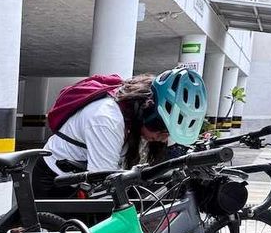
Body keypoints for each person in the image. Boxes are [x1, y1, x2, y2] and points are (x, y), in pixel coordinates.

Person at [31, 67, 208, 197]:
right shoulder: (107, 119)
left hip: (82, 176)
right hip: (56, 181)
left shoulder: (135, 111)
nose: (164, 140)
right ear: (146, 113)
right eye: (163, 131)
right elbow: (103, 183)